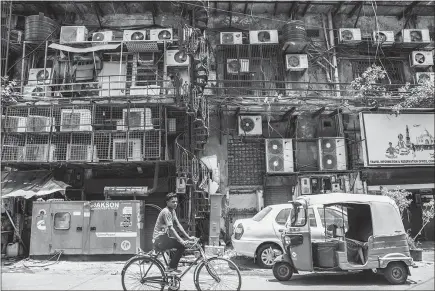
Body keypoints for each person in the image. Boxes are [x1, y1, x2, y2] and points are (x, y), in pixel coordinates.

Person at [152, 193, 195, 273]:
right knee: (181, 246)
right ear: (167, 202)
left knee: (177, 244)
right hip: (159, 239)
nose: (175, 203)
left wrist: (188, 237)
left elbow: (178, 225)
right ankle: (171, 268)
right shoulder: (166, 212)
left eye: (176, 202)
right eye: (173, 202)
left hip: (163, 238)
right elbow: (171, 228)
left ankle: (171, 267)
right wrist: (181, 241)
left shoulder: (172, 211)